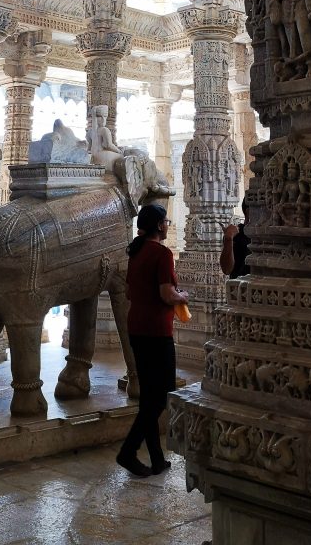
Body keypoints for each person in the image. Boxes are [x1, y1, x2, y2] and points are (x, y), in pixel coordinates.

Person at [117, 203, 188, 478]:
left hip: (136, 327)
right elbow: (167, 294)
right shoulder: (161, 253)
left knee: (149, 396)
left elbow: (128, 293)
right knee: (161, 396)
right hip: (157, 331)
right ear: (159, 225)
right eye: (166, 220)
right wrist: (183, 297)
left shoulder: (135, 253)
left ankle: (157, 459)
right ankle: (128, 450)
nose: (168, 224)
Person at [220, 204, 250, 278]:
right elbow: (227, 270)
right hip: (241, 286)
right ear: (249, 211)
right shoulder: (237, 234)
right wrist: (228, 238)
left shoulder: (268, 235)